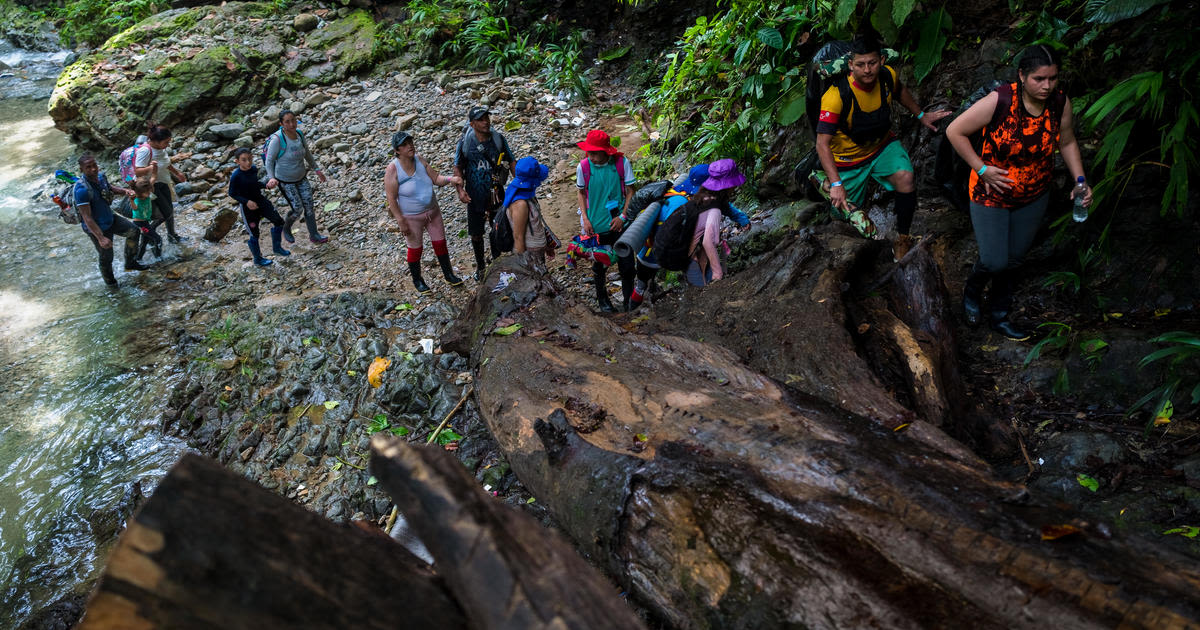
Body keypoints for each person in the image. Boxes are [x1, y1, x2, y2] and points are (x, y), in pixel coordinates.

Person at [945, 45, 1091, 341]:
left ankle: (999, 314)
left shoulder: (1060, 103)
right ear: (1022, 76)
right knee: (995, 260)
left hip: (1035, 192)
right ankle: (972, 291)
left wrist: (1080, 180)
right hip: (991, 192)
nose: (1047, 85)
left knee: (1015, 259)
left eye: (1052, 78)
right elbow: (954, 131)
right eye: (1039, 78)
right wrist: (981, 168)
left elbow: (1067, 142)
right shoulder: (1000, 100)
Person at [813, 33, 949, 260]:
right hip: (848, 161)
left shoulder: (887, 76)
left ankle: (903, 238)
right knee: (844, 218)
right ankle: (826, 185)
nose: (867, 70)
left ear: (881, 61)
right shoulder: (835, 96)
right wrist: (836, 183)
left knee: (906, 177)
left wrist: (921, 115)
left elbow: (900, 91)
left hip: (881, 147)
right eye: (860, 64)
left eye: (872, 63)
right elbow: (822, 144)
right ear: (850, 65)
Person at [384, 131, 466, 294]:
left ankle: (449, 274)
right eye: (405, 144)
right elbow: (391, 198)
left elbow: (436, 179)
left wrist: (451, 179)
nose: (410, 146)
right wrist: (400, 220)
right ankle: (418, 280)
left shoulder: (420, 160)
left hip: (432, 212)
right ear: (397, 150)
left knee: (440, 243)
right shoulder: (393, 169)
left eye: (411, 142)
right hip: (411, 217)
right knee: (415, 248)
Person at [576, 129, 636, 312]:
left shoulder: (621, 163)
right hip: (595, 225)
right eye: (589, 152)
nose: (591, 156)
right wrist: (585, 219)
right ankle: (603, 301)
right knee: (600, 264)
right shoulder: (584, 168)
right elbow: (580, 192)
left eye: (595, 152)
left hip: (620, 225)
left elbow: (631, 190)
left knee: (626, 264)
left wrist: (623, 216)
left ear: (606, 151)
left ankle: (628, 301)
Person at [453, 106, 515, 280]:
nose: (486, 122)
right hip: (475, 194)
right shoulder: (466, 143)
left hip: (496, 192)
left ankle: (497, 262)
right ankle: (481, 266)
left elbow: (511, 161)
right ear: (472, 124)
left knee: (498, 228)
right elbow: (457, 167)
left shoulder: (498, 139)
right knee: (475, 233)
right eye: (481, 119)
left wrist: (519, 185)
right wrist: (460, 190)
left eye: (486, 118)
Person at [74, 154, 146, 287]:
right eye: (88, 167)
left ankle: (130, 262)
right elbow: (87, 217)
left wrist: (125, 191)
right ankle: (111, 284)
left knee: (134, 231)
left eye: (94, 165)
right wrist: (101, 238)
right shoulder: (81, 190)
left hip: (110, 218)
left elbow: (110, 188)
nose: (93, 169)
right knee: (106, 256)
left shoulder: (101, 177)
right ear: (81, 169)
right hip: (97, 228)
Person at [265, 110, 329, 244]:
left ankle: (314, 235)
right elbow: (269, 161)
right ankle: (286, 228)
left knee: (309, 206)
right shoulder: (278, 140)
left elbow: (307, 153)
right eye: (287, 121)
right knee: (297, 209)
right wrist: (271, 178)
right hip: (285, 181)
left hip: (301, 177)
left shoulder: (299, 134)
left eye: (293, 120)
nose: (292, 124)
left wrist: (317, 169)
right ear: (281, 124)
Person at [686, 159, 746, 287]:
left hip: (690, 248)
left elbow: (726, 207)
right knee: (702, 283)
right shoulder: (713, 206)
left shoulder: (702, 197)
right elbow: (707, 242)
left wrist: (741, 219)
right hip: (693, 252)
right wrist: (717, 274)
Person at [229, 147, 290, 267]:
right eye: (244, 160)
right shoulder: (236, 176)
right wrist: (246, 202)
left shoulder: (253, 169)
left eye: (250, 159)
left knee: (278, 221)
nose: (248, 162)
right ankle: (258, 259)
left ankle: (277, 248)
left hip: (261, 200)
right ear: (237, 161)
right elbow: (232, 193)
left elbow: (255, 184)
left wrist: (266, 186)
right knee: (254, 233)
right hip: (248, 208)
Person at [133, 123, 189, 243]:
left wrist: (177, 173)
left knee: (170, 210)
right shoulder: (145, 151)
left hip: (163, 181)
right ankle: (147, 232)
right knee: (166, 213)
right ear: (156, 141)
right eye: (166, 142)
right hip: (152, 186)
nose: (168, 145)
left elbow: (166, 162)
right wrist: (151, 168)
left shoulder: (160, 148)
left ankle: (172, 236)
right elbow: (137, 171)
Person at [503, 156, 556, 267]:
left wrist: (547, 246)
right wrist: (523, 265)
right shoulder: (520, 204)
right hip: (530, 255)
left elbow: (535, 224)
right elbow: (518, 237)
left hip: (536, 250)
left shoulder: (526, 196)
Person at [127, 177, 163, 261]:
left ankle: (139, 258)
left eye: (149, 190)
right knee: (158, 239)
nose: (149, 192)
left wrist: (154, 169)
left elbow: (153, 179)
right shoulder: (137, 200)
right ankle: (158, 258)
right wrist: (131, 200)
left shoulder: (147, 195)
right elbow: (134, 208)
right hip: (139, 225)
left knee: (145, 242)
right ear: (140, 193)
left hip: (145, 223)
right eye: (147, 191)